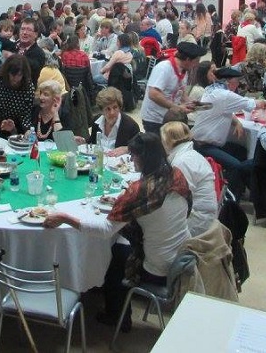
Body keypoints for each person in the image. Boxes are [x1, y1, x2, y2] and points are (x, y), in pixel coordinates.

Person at [43, 133, 191, 331]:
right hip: (184, 253)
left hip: (159, 266)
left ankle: (118, 317)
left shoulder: (139, 191)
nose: (130, 160)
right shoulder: (176, 174)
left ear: (144, 158)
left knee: (115, 254)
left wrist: (65, 218)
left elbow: (105, 230)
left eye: (134, 156)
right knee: (121, 240)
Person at [192, 67, 266, 199]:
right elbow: (253, 104)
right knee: (236, 166)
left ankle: (239, 187)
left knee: (241, 151)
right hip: (205, 145)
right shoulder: (224, 95)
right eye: (236, 81)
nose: (237, 85)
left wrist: (236, 122)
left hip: (204, 140)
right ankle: (231, 197)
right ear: (228, 82)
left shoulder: (212, 91)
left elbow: (221, 109)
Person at [161, 121, 218, 236]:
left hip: (198, 220)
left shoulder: (181, 162)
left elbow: (177, 200)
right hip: (204, 214)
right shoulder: (191, 155)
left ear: (168, 141)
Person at [139, 42, 206, 135]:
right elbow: (153, 94)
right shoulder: (164, 68)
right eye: (196, 61)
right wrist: (176, 107)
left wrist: (190, 103)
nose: (197, 65)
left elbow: (181, 92)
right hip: (155, 119)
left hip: (169, 117)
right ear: (188, 59)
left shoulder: (183, 70)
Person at [0, 54, 34, 138]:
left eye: (19, 75)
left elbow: (26, 113)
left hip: (17, 126)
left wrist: (27, 130)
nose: (16, 79)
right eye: (13, 75)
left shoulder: (28, 86)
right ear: (7, 72)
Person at [87, 86, 141, 157]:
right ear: (102, 110)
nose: (112, 112)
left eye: (115, 107)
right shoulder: (97, 122)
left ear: (119, 107)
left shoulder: (131, 126)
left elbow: (139, 149)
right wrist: (83, 141)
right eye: (108, 109)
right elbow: (92, 143)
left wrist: (128, 148)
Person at [17, 18, 46, 83]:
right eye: (22, 29)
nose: (24, 32)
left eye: (29, 30)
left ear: (36, 34)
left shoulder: (39, 53)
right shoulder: (11, 47)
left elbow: (31, 71)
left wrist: (13, 57)